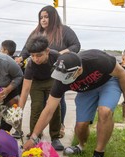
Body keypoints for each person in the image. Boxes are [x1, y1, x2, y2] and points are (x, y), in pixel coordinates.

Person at [23, 50, 125, 157]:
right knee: (81, 126)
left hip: (108, 82)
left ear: (79, 70)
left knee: (105, 111)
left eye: (67, 75)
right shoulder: (61, 81)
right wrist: (33, 137)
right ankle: (81, 146)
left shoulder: (98, 60)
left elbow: (122, 75)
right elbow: (49, 109)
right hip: (86, 90)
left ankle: (99, 153)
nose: (63, 79)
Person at [16, 5, 81, 138]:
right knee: (38, 105)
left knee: (57, 100)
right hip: (38, 73)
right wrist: (21, 57)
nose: (43, 20)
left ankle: (59, 126)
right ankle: (36, 132)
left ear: (53, 17)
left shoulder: (64, 30)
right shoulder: (36, 32)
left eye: (46, 17)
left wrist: (61, 54)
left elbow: (76, 45)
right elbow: (27, 48)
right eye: (41, 17)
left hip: (56, 68)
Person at [18, 35, 64, 151]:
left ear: (47, 51)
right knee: (36, 106)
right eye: (32, 56)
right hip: (36, 83)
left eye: (39, 55)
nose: (36, 59)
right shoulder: (30, 64)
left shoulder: (56, 57)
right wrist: (19, 111)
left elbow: (61, 78)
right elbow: (25, 89)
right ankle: (35, 136)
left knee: (54, 107)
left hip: (52, 80)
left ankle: (55, 136)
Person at [0, 39, 24, 139]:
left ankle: (4, 133)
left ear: (5, 51)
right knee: (13, 113)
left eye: (1, 49)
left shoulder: (6, 62)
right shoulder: (16, 61)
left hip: (10, 91)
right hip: (15, 91)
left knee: (8, 113)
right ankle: (16, 131)